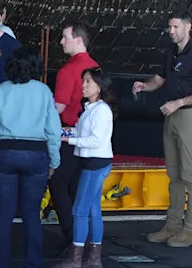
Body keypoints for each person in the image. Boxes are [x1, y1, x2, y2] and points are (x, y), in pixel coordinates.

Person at [133, 11, 192, 247]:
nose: (171, 31)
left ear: (188, 27)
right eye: (169, 27)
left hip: (188, 115)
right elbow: (159, 80)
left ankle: (191, 229)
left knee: (189, 174)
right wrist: (144, 86)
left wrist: (179, 102)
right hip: (171, 115)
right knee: (174, 174)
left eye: (176, 27)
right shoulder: (170, 53)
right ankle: (173, 225)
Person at [0, 47, 61, 268]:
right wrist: (54, 161)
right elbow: (53, 131)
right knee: (32, 212)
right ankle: (33, 262)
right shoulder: (44, 92)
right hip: (36, 154)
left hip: (4, 153)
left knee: (4, 211)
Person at [57, 67, 116, 268]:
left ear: (99, 86)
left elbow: (95, 140)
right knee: (92, 210)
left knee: (79, 210)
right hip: (95, 162)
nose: (83, 85)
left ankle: (76, 259)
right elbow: (86, 133)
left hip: (94, 163)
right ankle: (93, 258)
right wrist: (69, 132)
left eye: (88, 81)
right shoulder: (92, 108)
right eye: (84, 81)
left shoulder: (101, 110)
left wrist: (69, 139)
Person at [50, 22, 99, 253]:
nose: (61, 42)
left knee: (58, 182)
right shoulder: (96, 67)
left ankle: (72, 235)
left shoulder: (67, 71)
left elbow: (58, 108)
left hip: (69, 135)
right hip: (92, 137)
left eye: (65, 37)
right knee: (79, 186)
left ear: (78, 40)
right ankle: (83, 237)